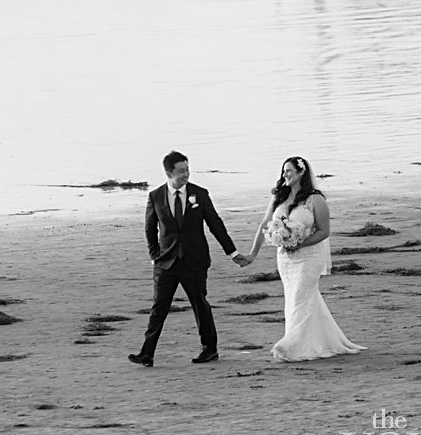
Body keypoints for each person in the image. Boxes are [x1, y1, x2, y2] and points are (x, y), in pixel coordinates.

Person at [236, 155, 362, 361]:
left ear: (301, 172)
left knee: (300, 297)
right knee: (298, 298)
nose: (285, 174)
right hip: (285, 258)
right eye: (283, 171)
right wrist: (253, 254)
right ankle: (314, 341)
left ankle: (291, 345)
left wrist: (299, 243)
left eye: (289, 171)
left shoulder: (316, 199)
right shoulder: (279, 197)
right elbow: (264, 226)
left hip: (310, 256)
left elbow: (324, 231)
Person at [128, 151, 239, 368]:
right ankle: (146, 353)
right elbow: (150, 228)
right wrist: (154, 255)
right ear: (169, 173)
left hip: (194, 261)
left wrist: (232, 252)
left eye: (187, 169)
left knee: (200, 304)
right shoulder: (155, 196)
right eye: (181, 171)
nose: (186, 174)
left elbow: (215, 224)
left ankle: (210, 349)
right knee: (159, 307)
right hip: (165, 262)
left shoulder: (200, 193)